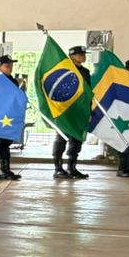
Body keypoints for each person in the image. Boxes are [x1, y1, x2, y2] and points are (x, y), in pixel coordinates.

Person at [53, 45, 92, 179]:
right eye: (80, 54)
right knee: (61, 138)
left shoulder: (85, 72)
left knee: (77, 139)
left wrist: (89, 111)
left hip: (80, 110)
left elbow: (88, 93)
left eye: (84, 54)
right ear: (72, 56)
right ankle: (58, 168)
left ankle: (72, 167)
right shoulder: (65, 70)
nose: (83, 57)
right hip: (65, 110)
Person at [0, 54, 24, 180]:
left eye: (11, 66)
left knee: (5, 143)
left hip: (8, 116)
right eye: (7, 66)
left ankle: (5, 169)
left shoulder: (12, 81)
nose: (10, 68)